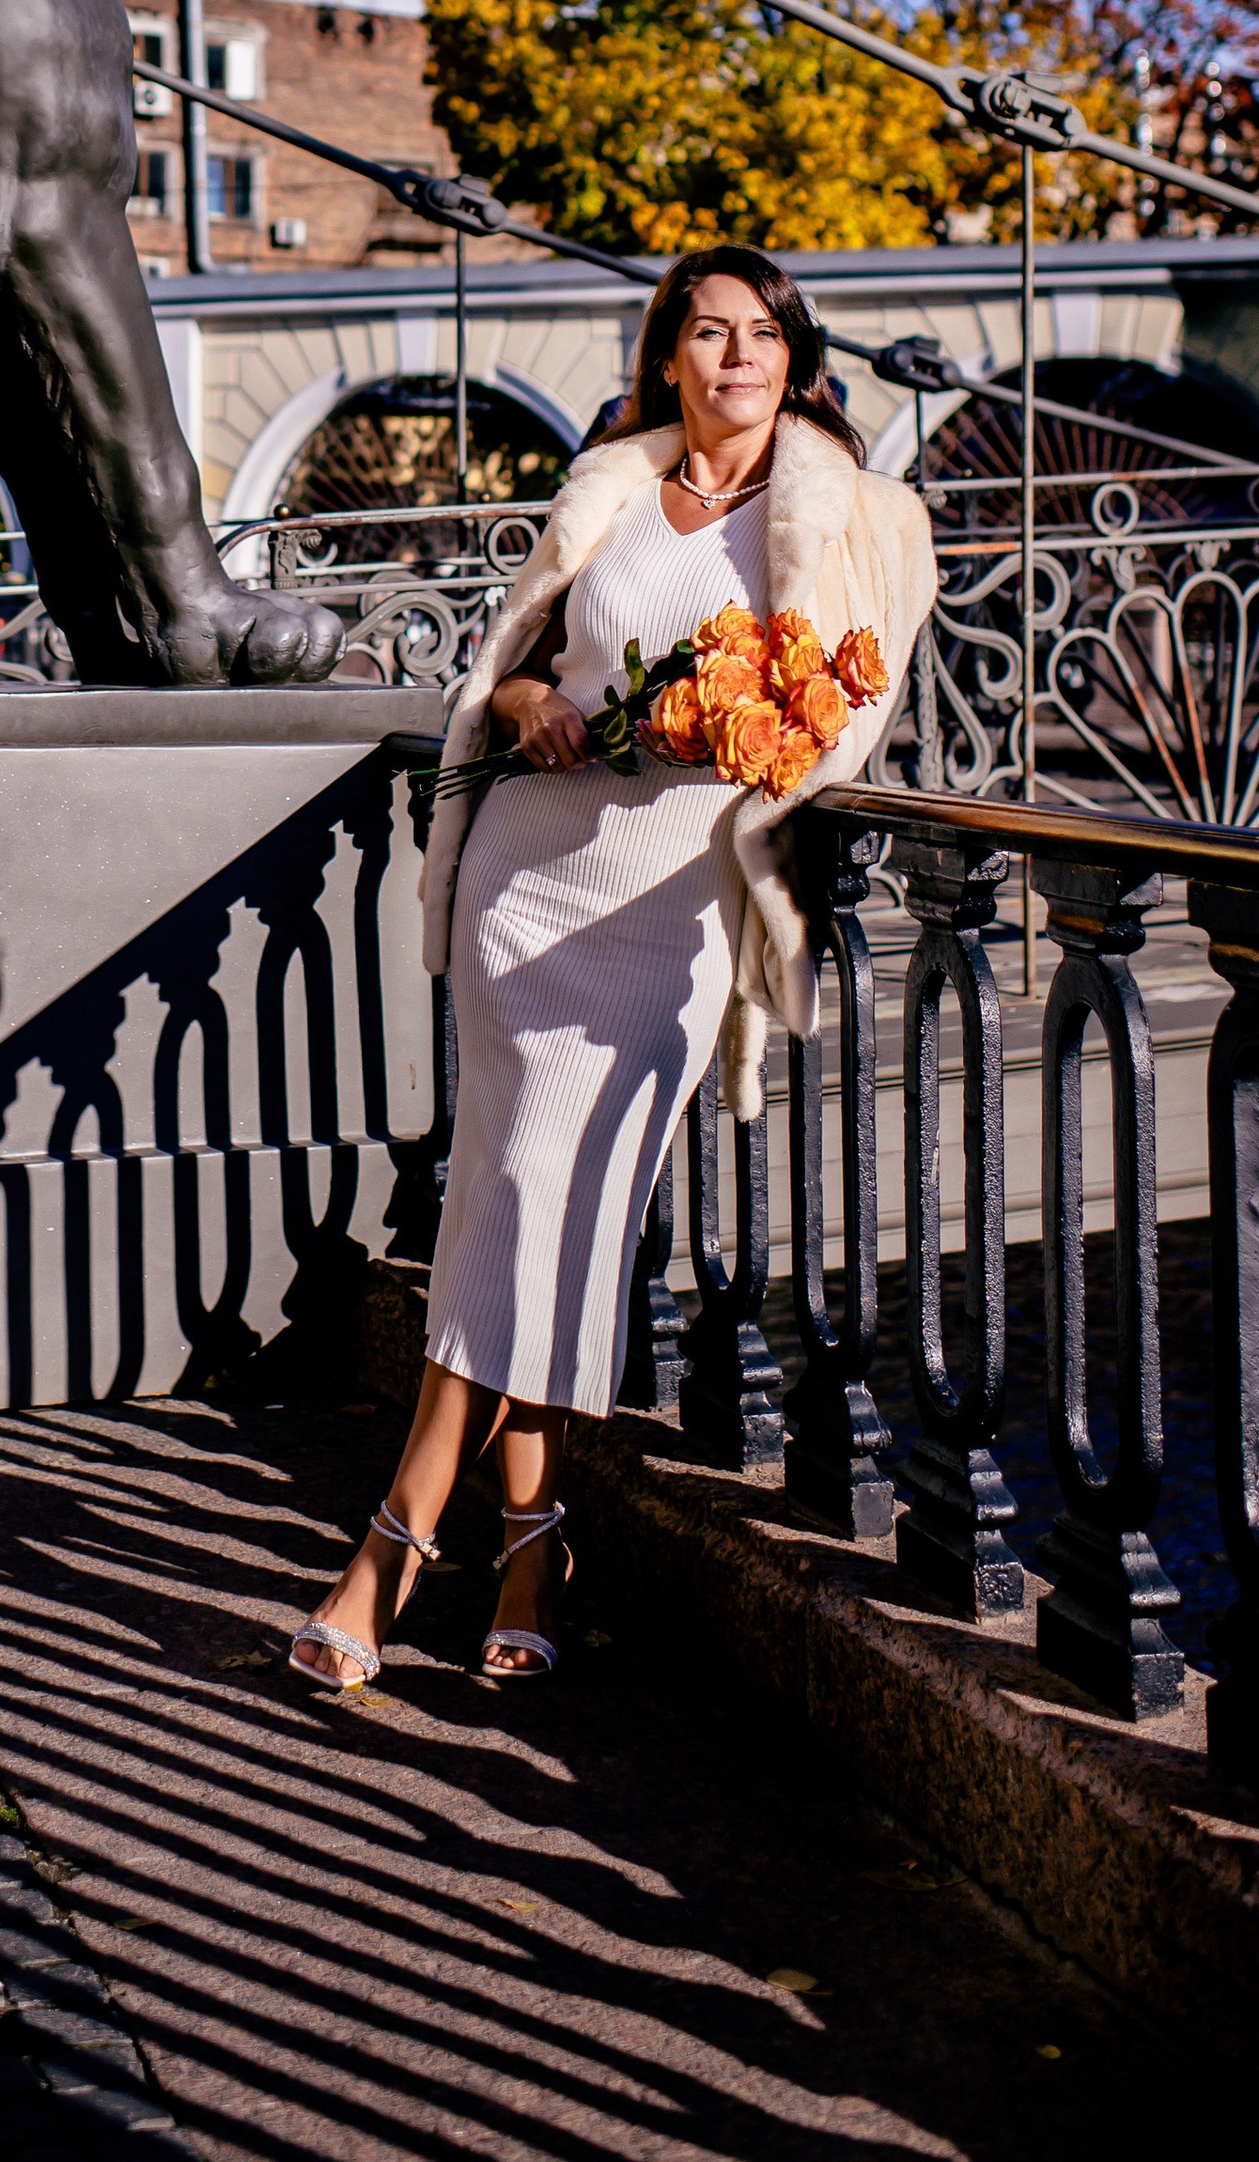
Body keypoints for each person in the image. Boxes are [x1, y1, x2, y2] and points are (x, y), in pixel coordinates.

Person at [286, 242, 936, 1689]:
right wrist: (524, 702)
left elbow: (851, 723)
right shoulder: (614, 490)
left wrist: (757, 731)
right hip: (531, 880)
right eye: (706, 334)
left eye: (761, 334)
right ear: (665, 357)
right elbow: (513, 668)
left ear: (797, 356)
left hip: (673, 909)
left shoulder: (860, 518)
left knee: (564, 1211)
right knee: (509, 1195)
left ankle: (405, 1539)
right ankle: (520, 1551)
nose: (734, 359)